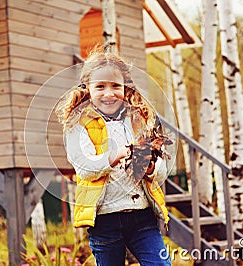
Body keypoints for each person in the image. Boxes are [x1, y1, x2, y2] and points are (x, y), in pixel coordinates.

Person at [56, 48, 172, 266]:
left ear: (125, 88)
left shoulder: (138, 119)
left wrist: (149, 168)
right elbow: (84, 168)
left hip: (142, 216)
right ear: (87, 88)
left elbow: (161, 169)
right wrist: (115, 155)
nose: (108, 93)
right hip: (104, 218)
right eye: (100, 86)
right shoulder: (78, 124)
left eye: (115, 86)